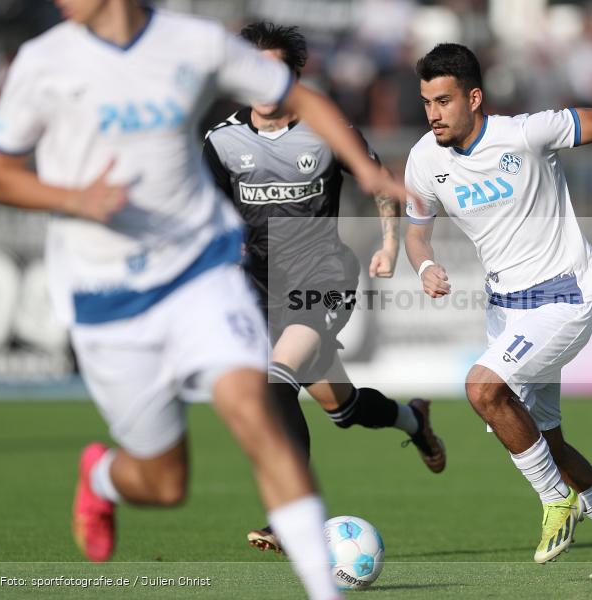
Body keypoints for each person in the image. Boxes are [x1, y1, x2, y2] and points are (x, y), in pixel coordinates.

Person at [0, 2, 405, 599]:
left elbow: (307, 100)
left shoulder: (193, 42)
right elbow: (0, 175)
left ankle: (321, 586)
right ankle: (102, 478)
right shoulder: (42, 62)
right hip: (108, 285)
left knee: (259, 395)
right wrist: (75, 200)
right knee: (163, 481)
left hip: (203, 271)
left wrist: (368, 174)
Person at [403, 43, 592, 578]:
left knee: (482, 388)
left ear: (475, 98)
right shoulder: (424, 159)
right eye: (427, 101)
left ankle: (554, 501)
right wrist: (424, 264)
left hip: (565, 297)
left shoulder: (524, 133)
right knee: (542, 438)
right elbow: (416, 233)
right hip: (505, 310)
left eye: (444, 101)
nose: (433, 113)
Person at [202, 22, 446, 554]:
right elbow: (204, 209)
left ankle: (291, 517)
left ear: (295, 76)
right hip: (257, 286)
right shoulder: (220, 141)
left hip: (322, 275)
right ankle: (414, 419)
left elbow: (378, 184)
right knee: (343, 408)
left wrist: (386, 244)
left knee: (274, 380)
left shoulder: (326, 129)